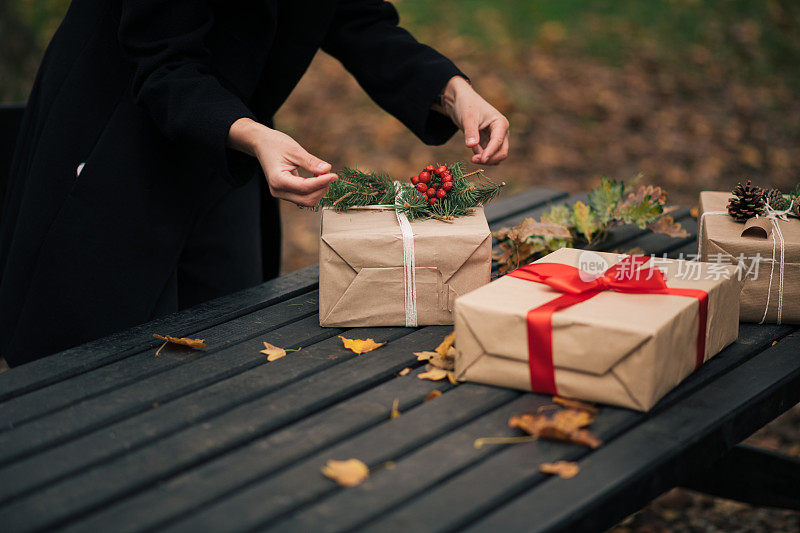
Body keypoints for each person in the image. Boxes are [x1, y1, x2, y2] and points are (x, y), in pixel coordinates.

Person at [0, 0, 510, 367]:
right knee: (105, 373)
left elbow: (355, 17)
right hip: (115, 149)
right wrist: (254, 135)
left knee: (233, 353)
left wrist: (452, 91)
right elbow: (162, 60)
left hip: (229, 152)